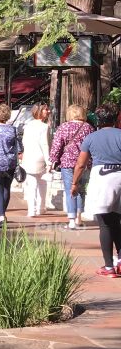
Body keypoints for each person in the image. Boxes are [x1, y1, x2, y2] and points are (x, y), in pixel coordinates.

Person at [71, 103, 121, 277]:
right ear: (116, 118)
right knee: (117, 220)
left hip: (103, 178)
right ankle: (120, 259)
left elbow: (80, 164)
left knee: (105, 224)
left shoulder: (91, 138)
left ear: (98, 119)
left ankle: (109, 267)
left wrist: (74, 183)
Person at [50, 103, 90, 230]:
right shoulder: (88, 127)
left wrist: (52, 161)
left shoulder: (64, 127)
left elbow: (57, 145)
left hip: (67, 162)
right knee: (80, 189)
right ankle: (79, 216)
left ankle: (71, 220)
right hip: (83, 163)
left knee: (70, 190)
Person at [20, 102, 52, 217]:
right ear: (39, 111)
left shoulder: (27, 126)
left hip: (28, 156)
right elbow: (45, 144)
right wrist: (49, 160)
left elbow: (23, 142)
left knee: (31, 184)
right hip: (41, 157)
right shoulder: (45, 127)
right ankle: (40, 207)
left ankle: (31, 210)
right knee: (42, 183)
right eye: (45, 110)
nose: (48, 111)